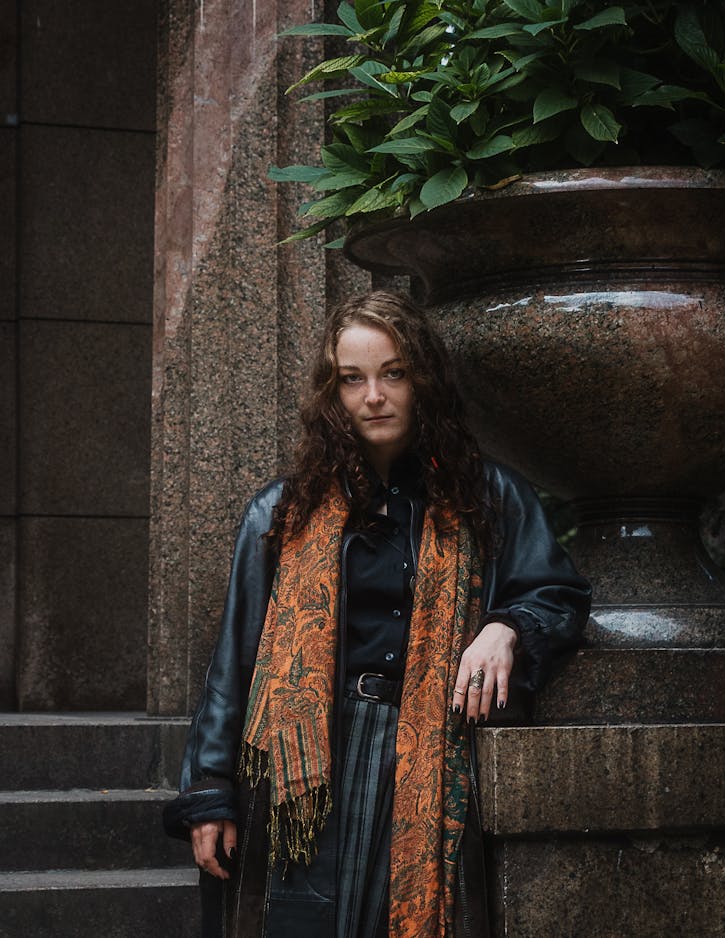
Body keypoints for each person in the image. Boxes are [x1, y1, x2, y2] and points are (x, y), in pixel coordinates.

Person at [164, 291, 591, 938]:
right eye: (352, 379)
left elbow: (558, 595)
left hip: (432, 758)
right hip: (310, 763)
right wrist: (209, 797)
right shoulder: (281, 514)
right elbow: (235, 665)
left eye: (393, 373)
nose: (373, 397)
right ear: (330, 392)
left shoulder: (489, 497)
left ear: (423, 379)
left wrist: (506, 629)